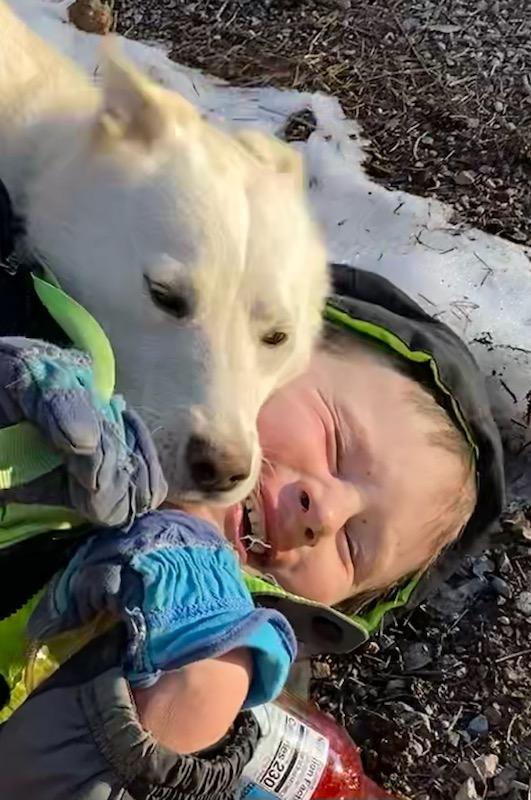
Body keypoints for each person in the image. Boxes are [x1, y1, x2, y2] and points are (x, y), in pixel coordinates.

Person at [0, 264, 504, 799]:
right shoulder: (65, 350)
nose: (325, 515)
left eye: (354, 547)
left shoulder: (241, 676)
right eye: (335, 443)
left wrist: (180, 736)